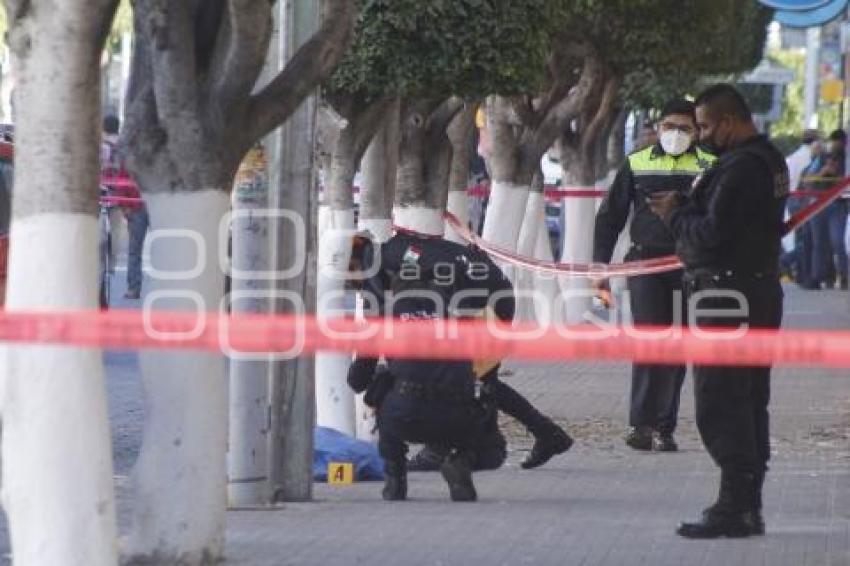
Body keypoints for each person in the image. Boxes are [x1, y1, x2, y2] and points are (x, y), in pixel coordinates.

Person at [649, 84, 788, 538]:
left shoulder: (743, 168)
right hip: (752, 292)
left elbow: (711, 235)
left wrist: (674, 215)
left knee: (722, 401)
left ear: (728, 121)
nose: (702, 135)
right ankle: (745, 504)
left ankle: (736, 505)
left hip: (727, 298)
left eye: (706, 125)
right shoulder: (766, 160)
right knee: (747, 401)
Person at [593, 98, 715, 453]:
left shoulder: (710, 165)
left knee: (676, 347)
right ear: (658, 128)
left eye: (684, 128)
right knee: (649, 342)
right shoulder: (637, 162)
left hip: (688, 267)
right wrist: (599, 266)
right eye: (669, 127)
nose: (676, 134)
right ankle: (641, 425)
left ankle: (664, 427)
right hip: (645, 265)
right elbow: (610, 218)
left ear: (696, 131)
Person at [101, 115, 148, 300]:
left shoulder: (152, 154)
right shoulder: (129, 153)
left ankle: (136, 287)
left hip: (147, 206)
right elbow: (122, 178)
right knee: (134, 250)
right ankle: (133, 288)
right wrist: (126, 206)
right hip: (136, 206)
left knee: (139, 249)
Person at [808, 129, 848, 289]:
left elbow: (844, 182)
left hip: (837, 204)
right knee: (819, 242)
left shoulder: (846, 158)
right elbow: (809, 180)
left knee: (837, 241)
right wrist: (824, 171)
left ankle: (844, 276)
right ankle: (819, 276)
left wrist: (836, 176)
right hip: (819, 202)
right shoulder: (821, 158)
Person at [780, 130, 820, 287]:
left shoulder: (793, 157)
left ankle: (800, 272)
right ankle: (786, 261)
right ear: (815, 142)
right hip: (802, 198)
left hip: (791, 198)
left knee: (800, 237)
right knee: (805, 238)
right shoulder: (808, 158)